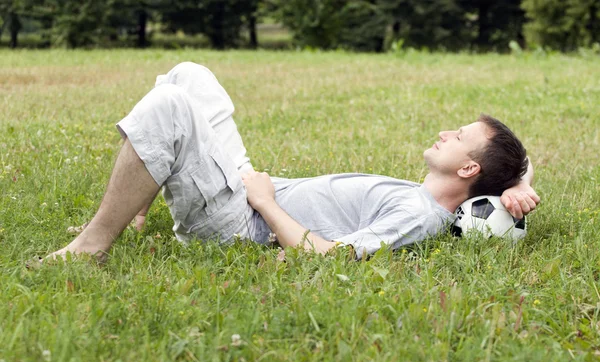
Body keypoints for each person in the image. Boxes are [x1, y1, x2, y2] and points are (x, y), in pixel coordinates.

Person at [45, 62, 540, 262]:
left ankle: (92, 245)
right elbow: (508, 159)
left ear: (469, 170)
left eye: (457, 136)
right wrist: (519, 178)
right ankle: (139, 198)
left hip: (240, 219)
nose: (443, 132)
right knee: (191, 76)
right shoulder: (428, 194)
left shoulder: (418, 215)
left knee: (169, 107)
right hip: (247, 189)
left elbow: (327, 256)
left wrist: (265, 201)